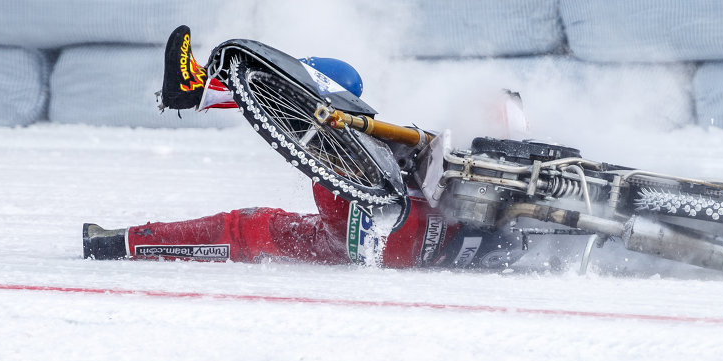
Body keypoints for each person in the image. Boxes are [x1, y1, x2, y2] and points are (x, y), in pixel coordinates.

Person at [82, 26, 527, 270]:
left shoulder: (496, 178)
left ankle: (201, 91)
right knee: (252, 227)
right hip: (385, 241)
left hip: (382, 229)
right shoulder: (533, 245)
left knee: (342, 81)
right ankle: (117, 242)